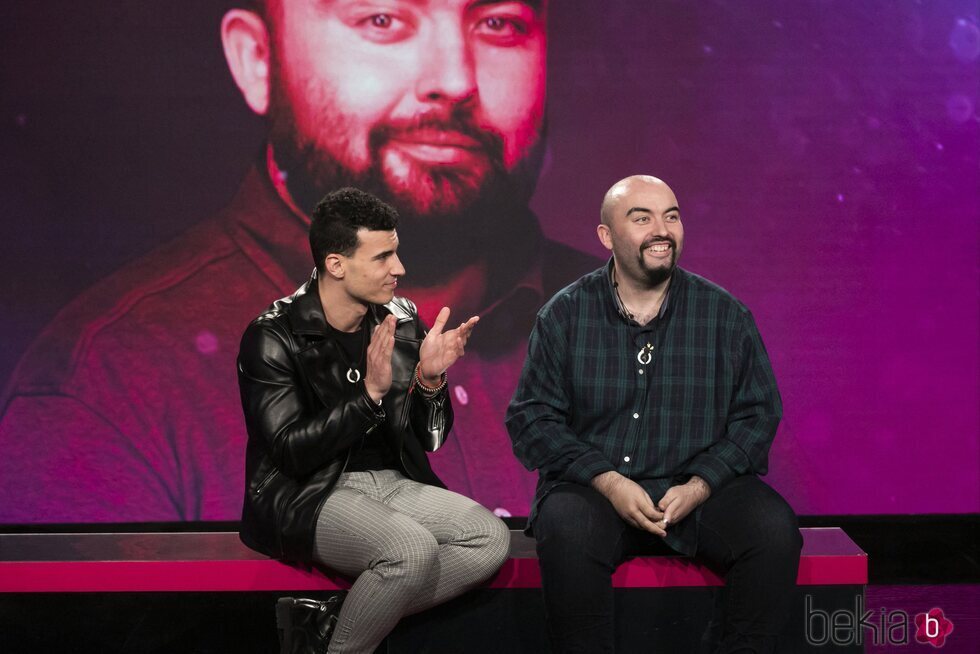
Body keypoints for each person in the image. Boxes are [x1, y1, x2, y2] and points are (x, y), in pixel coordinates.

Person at [0, 0, 597, 522]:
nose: (455, 78)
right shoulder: (105, 389)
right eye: (382, 18)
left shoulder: (630, 321)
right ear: (258, 59)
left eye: (499, 23)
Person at [506, 175, 803, 653]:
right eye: (641, 218)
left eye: (671, 216)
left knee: (773, 531)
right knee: (567, 529)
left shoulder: (724, 315)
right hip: (595, 492)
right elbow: (532, 418)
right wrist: (608, 481)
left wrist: (700, 484)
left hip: (695, 490)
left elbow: (758, 415)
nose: (661, 230)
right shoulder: (565, 314)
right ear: (606, 236)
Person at [238, 187, 510, 653]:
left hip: (393, 482)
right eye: (383, 257)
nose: (399, 269)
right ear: (336, 264)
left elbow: (431, 441)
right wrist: (367, 397)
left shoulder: (401, 320)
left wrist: (429, 379)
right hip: (310, 491)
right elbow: (289, 450)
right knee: (410, 551)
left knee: (489, 539)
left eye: (396, 252)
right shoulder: (273, 336)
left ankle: (333, 621)